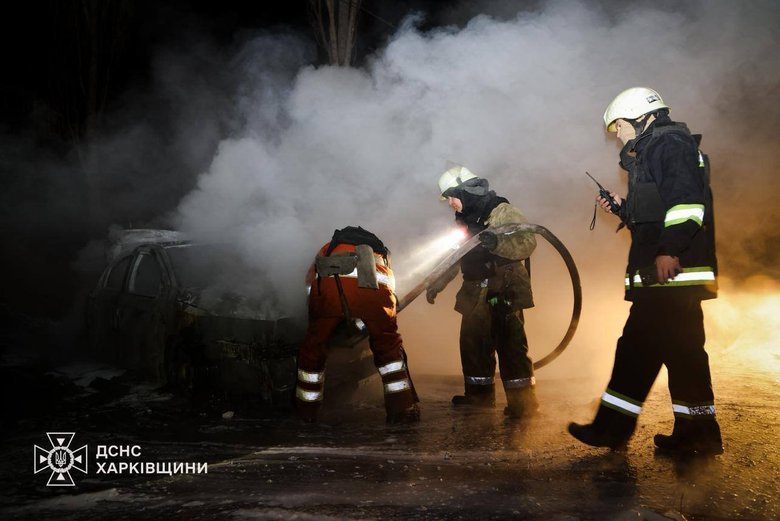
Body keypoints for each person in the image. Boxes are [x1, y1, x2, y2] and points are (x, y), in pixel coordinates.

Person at [568, 87, 723, 455]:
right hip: (675, 276)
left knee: (636, 351)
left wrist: (669, 250)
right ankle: (698, 434)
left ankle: (611, 429)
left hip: (670, 275)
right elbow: (659, 212)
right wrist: (623, 208)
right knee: (685, 354)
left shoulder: (667, 145)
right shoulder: (662, 148)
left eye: (618, 126)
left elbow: (687, 203)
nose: (618, 135)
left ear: (641, 117)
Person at [426, 165, 538, 418]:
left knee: (510, 345)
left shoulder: (501, 210)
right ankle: (479, 399)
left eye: (451, 197)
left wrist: (496, 242)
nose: (450, 204)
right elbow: (455, 254)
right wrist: (438, 281)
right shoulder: (464, 220)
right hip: (475, 289)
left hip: (505, 287)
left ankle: (523, 406)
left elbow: (527, 243)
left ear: (463, 192)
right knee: (473, 344)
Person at [295, 225, 420, 425]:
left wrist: (317, 316)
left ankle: (306, 412)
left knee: (312, 350)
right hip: (374, 297)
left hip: (329, 296)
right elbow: (390, 290)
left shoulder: (328, 247)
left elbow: (310, 283)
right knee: (388, 349)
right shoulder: (381, 254)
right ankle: (402, 410)